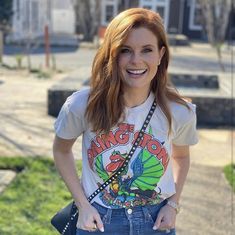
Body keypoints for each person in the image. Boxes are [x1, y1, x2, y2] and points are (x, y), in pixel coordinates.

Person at [53, 8, 198, 235]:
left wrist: (173, 205)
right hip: (98, 222)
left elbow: (181, 157)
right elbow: (61, 151)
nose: (136, 60)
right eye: (125, 50)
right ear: (111, 54)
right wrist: (83, 205)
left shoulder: (179, 111)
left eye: (147, 50)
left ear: (161, 55)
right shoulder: (82, 105)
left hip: (156, 222)